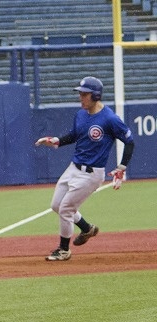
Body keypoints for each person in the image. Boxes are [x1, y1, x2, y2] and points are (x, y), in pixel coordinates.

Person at [35, 76, 134, 261]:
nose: (81, 97)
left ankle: (64, 250)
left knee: (65, 209)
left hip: (91, 174)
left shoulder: (110, 118)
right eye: (80, 94)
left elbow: (129, 141)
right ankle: (87, 228)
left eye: (84, 94)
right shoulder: (81, 114)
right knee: (56, 205)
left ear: (95, 96)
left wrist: (122, 167)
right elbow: (74, 135)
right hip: (74, 167)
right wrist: (56, 141)